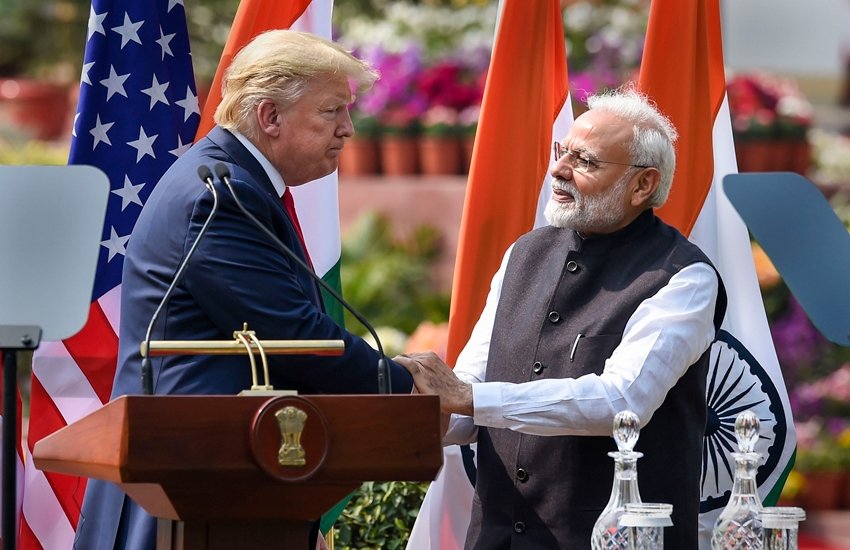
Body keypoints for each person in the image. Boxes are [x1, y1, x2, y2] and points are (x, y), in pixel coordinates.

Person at [74, 30, 413, 550]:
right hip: (184, 492)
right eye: (331, 112)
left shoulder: (233, 181)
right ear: (270, 117)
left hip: (213, 487)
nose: (347, 130)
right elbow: (293, 335)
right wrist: (403, 384)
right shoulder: (220, 197)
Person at [396, 88, 727, 548]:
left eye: (585, 161)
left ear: (643, 185)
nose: (558, 169)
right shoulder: (524, 254)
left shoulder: (683, 277)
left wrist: (466, 398)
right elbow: (470, 396)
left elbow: (620, 403)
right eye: (561, 152)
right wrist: (420, 410)